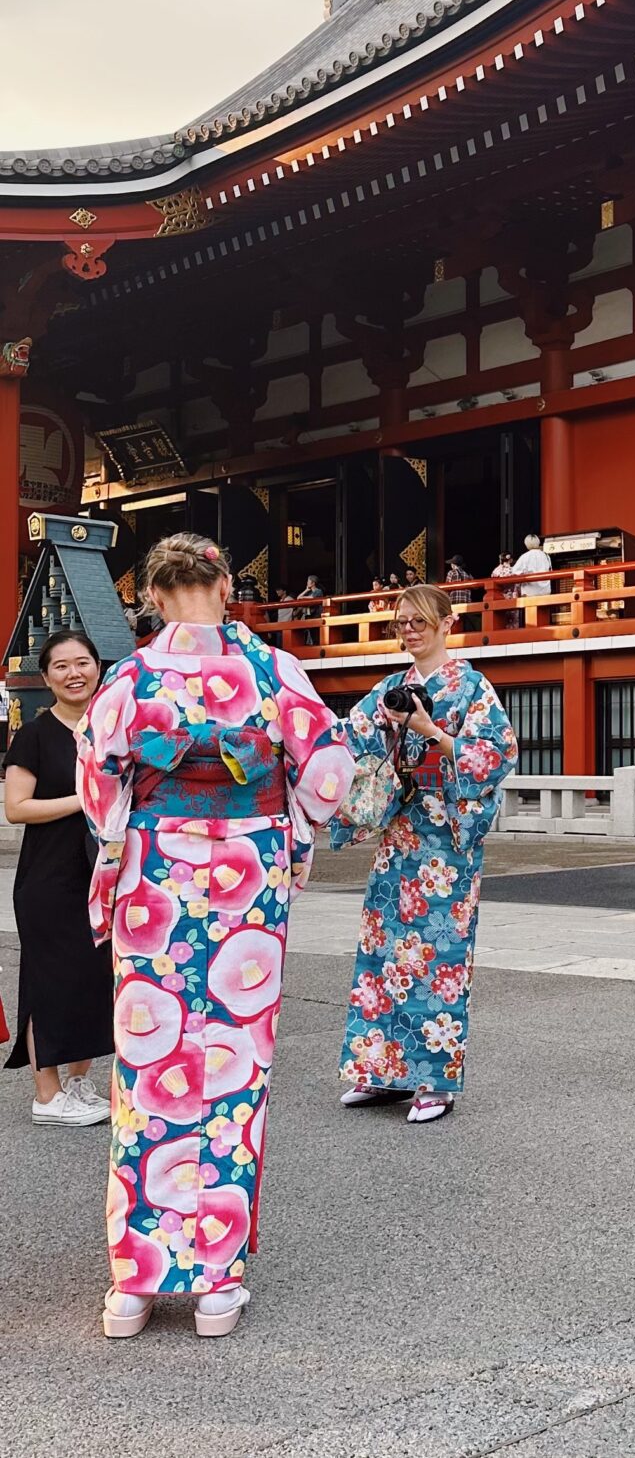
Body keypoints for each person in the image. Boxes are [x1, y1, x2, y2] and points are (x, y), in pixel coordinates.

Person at [77, 532, 353, 1340]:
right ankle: (214, 1286)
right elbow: (327, 773)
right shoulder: (274, 672)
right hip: (249, 870)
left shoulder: (130, 678)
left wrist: (125, 834)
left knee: (149, 1064)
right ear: (226, 586)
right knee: (235, 1066)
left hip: (156, 874)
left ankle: (133, 1284)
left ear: (155, 598)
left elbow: (100, 782)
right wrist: (294, 827)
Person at [330, 583, 518, 1124]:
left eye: (418, 621)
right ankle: (380, 1072)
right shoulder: (392, 687)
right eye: (400, 623)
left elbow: (496, 754)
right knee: (383, 950)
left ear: (445, 624)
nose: (408, 630)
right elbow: (349, 738)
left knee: (437, 960)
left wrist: (431, 731)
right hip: (401, 835)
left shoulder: (472, 687)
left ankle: (434, 1081)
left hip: (446, 840)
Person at [3, 632, 113, 1126]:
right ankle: (45, 1095)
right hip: (48, 881)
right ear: (46, 678)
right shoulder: (35, 735)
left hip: (102, 876)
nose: (75, 673)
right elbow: (15, 808)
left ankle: (75, 1081)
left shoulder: (111, 730)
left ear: (97, 668)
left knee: (94, 981)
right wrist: (84, 799)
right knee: (48, 983)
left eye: (83, 663)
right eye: (62, 666)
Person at [296, 572, 324, 647]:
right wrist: (306, 590)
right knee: (311, 634)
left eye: (308, 581)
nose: (307, 583)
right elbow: (298, 598)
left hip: (316, 615)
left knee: (316, 634)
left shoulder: (318, 591)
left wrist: (303, 597)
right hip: (309, 615)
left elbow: (312, 598)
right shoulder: (309, 592)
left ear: (313, 583)